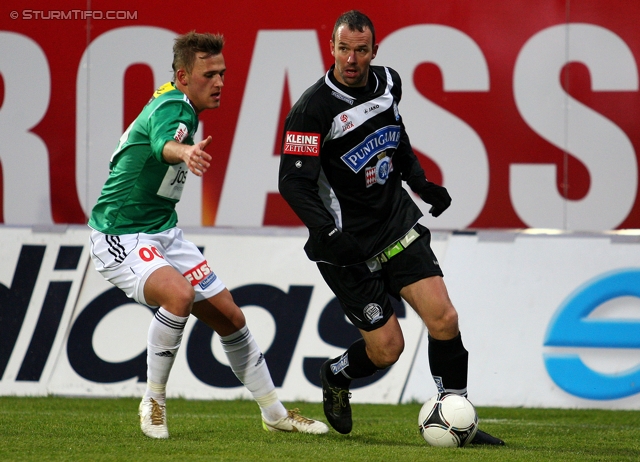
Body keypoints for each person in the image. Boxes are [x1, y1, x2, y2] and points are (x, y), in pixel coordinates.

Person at [88, 31, 328, 439]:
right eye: (208, 74)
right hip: (121, 233)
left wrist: (184, 147)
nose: (219, 82)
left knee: (232, 319)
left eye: (222, 73)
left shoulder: (179, 102)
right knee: (178, 296)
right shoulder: (174, 107)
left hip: (163, 230)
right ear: (183, 77)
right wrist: (184, 152)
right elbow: (166, 142)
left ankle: (274, 412)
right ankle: (154, 400)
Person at [278, 11, 503, 445]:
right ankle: (335, 374)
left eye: (361, 50)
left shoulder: (388, 83)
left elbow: (396, 137)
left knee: (444, 318)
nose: (352, 59)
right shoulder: (311, 109)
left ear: (374, 52)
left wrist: (420, 183)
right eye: (344, 49)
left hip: (395, 222)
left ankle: (458, 414)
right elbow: (293, 181)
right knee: (387, 349)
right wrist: (325, 232)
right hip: (345, 246)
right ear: (332, 49)